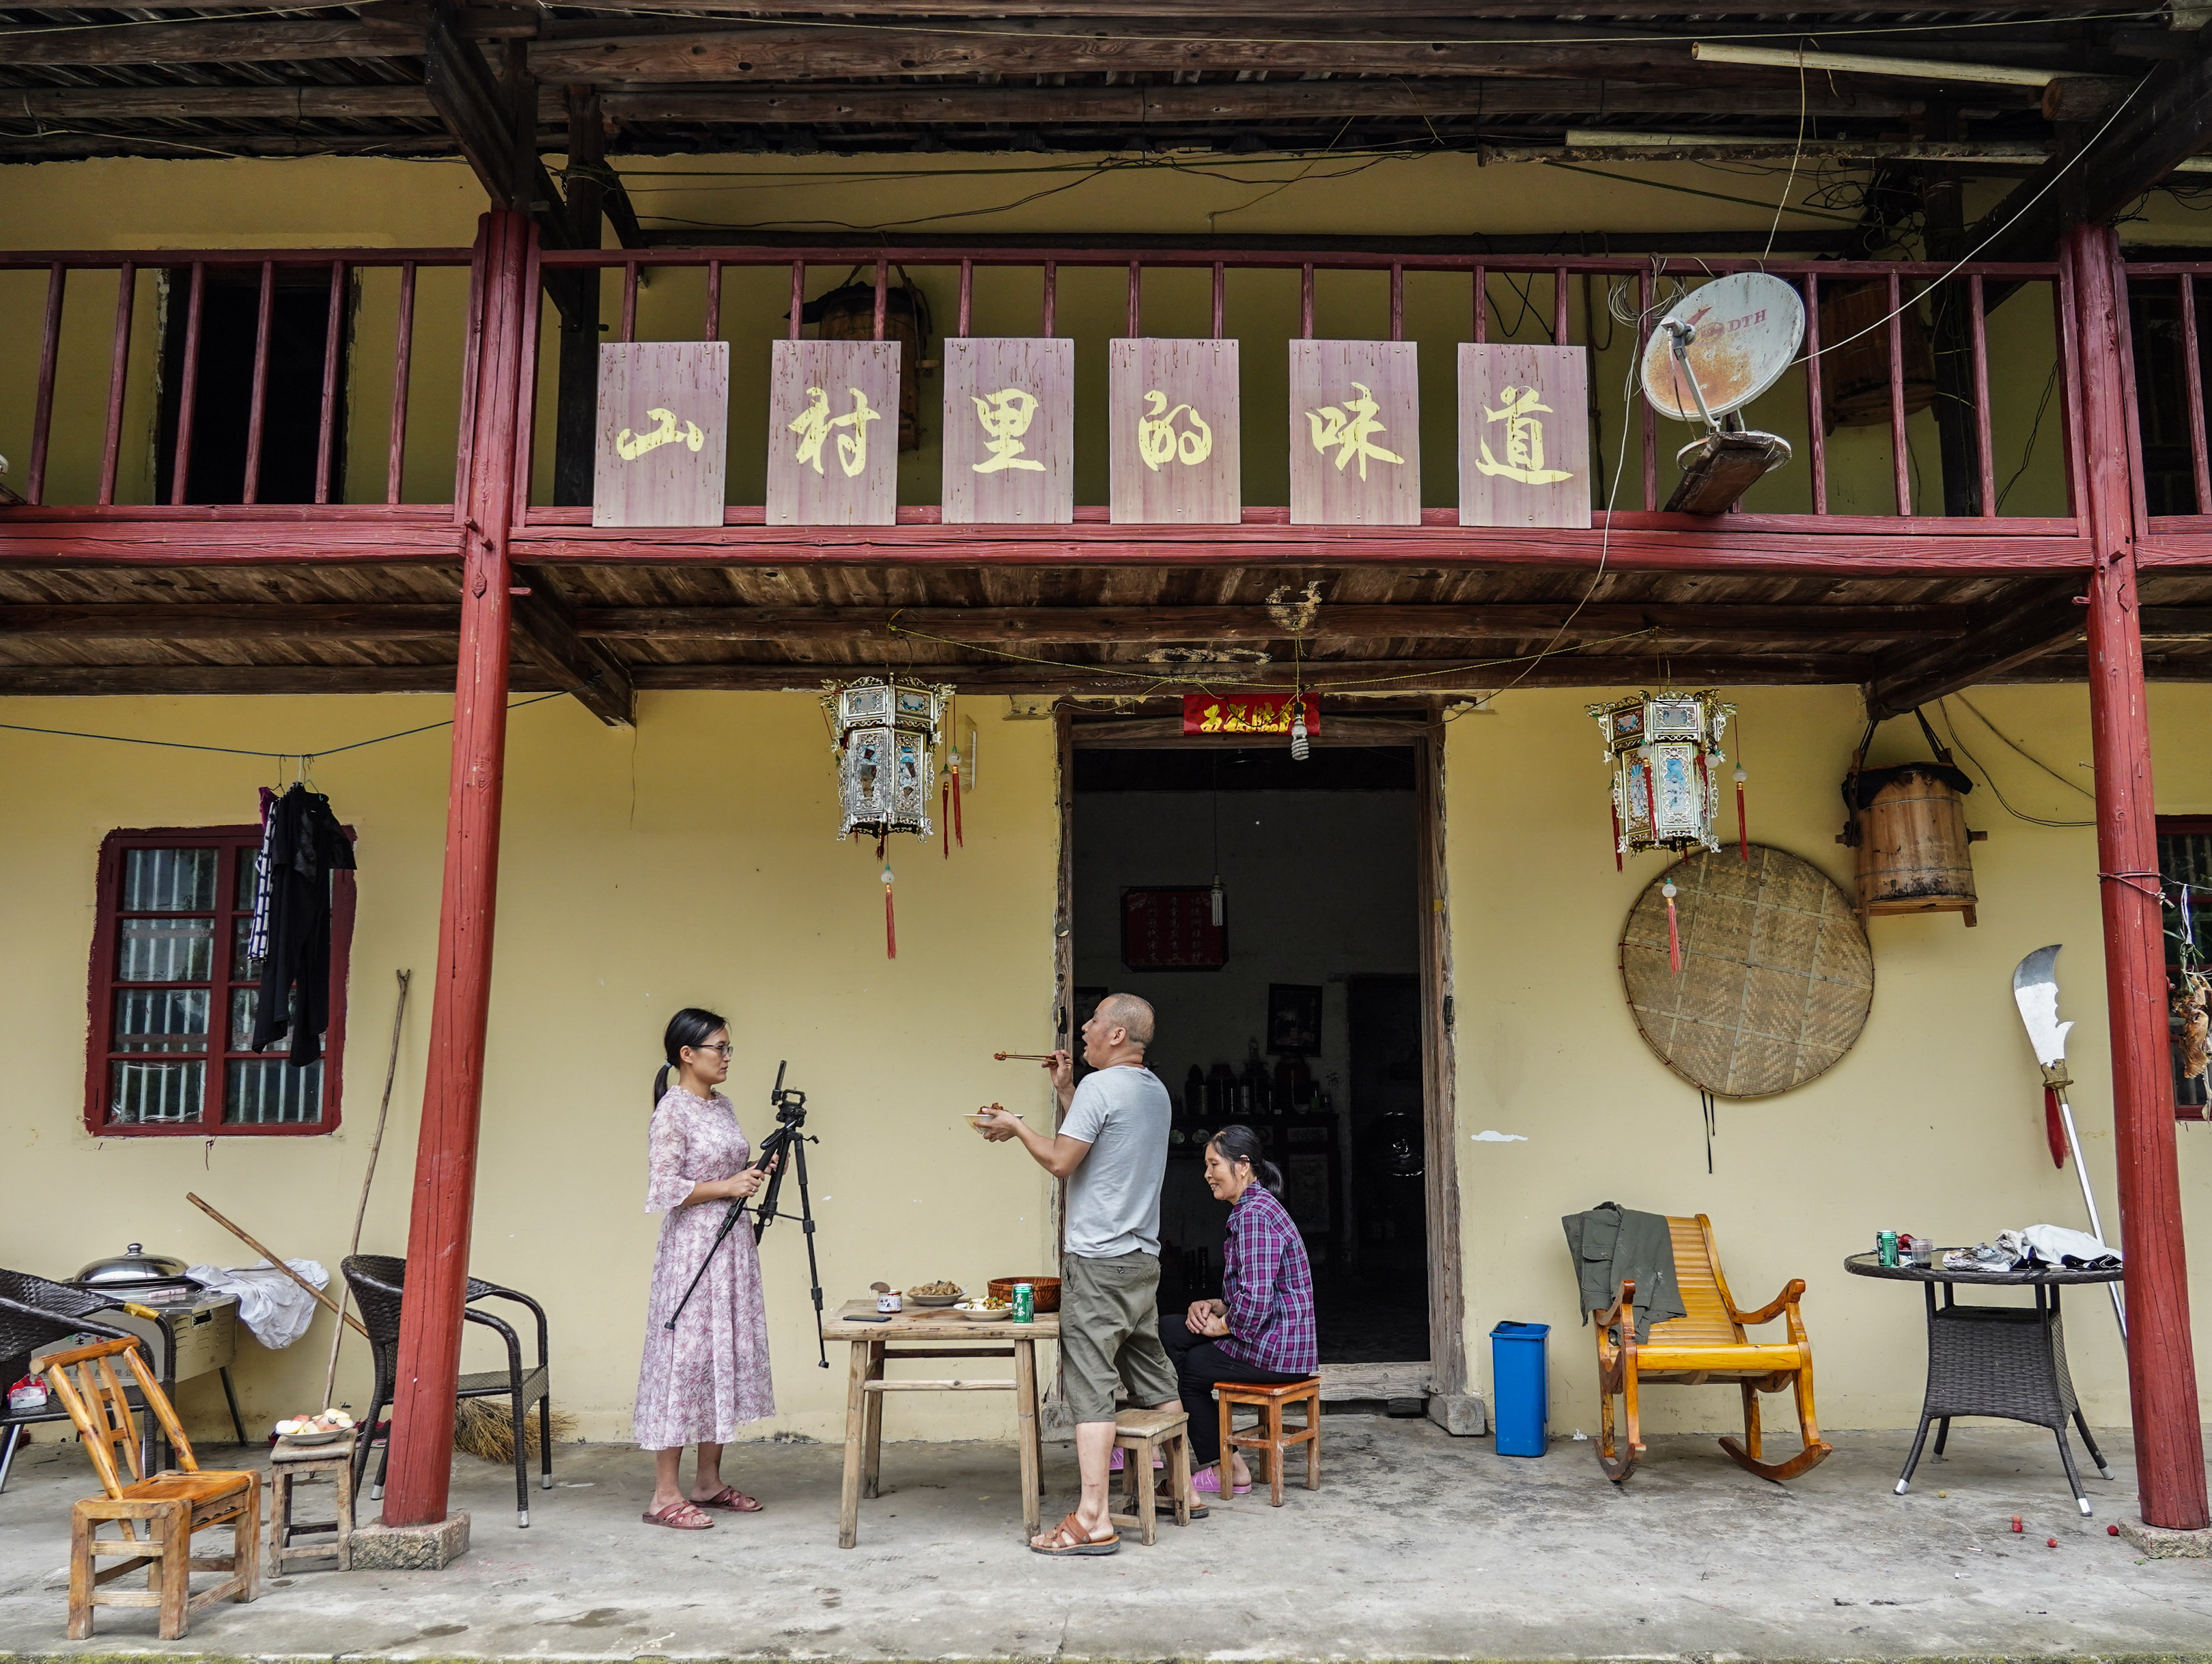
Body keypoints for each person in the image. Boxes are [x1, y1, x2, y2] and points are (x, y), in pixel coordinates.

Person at [974, 993, 1179, 1556]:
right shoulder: (1153, 1091)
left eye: (1092, 1022)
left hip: (1098, 1261)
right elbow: (1102, 1145)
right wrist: (1066, 1090)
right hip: (1140, 1260)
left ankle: (1093, 1517)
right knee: (1151, 1371)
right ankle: (1177, 1487)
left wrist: (1016, 1126)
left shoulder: (1102, 1088)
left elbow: (1064, 1163)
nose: (1082, 1029)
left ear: (1116, 1035)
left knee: (1090, 1387)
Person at [632, 1007, 779, 1530]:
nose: (727, 1058)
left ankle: (708, 1482)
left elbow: (725, 1168)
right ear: (686, 1054)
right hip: (694, 1247)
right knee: (684, 1359)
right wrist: (727, 1187)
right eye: (719, 1048)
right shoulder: (672, 1111)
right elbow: (665, 1188)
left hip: (731, 1244)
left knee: (721, 1354)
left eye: (729, 1048)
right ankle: (664, 1494)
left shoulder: (722, 1105)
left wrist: (754, 1172)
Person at [1160, 1122, 1318, 1497]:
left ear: (1242, 1166)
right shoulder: (1256, 1208)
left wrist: (1219, 1327)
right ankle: (1171, 1448)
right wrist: (1214, 1306)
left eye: (1214, 1164)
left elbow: (1256, 1305)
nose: (1208, 1174)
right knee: (1168, 1330)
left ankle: (1225, 1469)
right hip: (1275, 1339)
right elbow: (1253, 1290)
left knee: (1191, 1369)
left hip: (1277, 1349)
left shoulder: (1254, 1215)